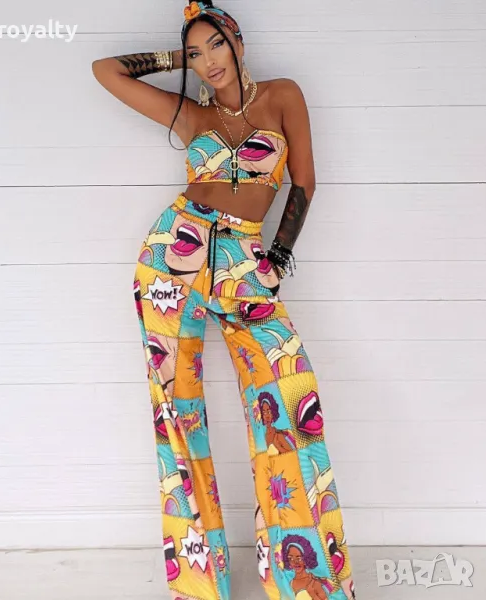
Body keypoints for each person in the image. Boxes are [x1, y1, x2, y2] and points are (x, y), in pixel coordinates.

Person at [92, 2, 356, 599]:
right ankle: (200, 585)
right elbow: (105, 70)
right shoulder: (191, 114)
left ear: (237, 43)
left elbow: (304, 181)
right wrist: (176, 58)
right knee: (176, 412)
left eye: (215, 45)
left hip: (245, 261)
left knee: (290, 399)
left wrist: (277, 260)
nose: (208, 61)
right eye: (196, 52)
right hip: (172, 259)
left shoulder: (283, 95)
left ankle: (306, 583)